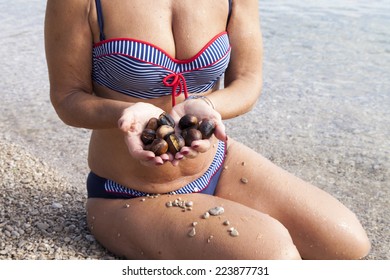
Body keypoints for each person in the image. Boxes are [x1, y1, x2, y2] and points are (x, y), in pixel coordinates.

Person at [44, 0, 370, 259]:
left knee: (348, 243)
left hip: (217, 164)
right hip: (128, 193)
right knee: (275, 257)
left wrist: (210, 106)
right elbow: (68, 98)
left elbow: (248, 81)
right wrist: (127, 112)